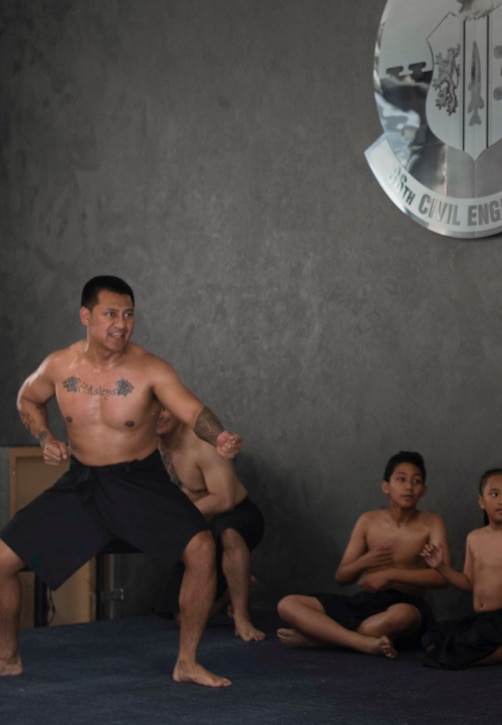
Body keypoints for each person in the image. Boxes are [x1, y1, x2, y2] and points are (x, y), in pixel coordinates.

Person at [0, 275, 240, 687]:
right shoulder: (60, 365)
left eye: (128, 315)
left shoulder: (150, 368)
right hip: (82, 482)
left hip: (139, 482)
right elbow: (28, 398)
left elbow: (192, 410)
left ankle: (187, 662)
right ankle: (7, 657)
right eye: (110, 313)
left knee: (202, 549)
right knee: (1, 562)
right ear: (85, 316)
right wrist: (45, 437)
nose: (121, 324)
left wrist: (219, 436)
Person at [276, 451, 448, 659]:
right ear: (386, 486)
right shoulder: (368, 521)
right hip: (366, 602)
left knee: (402, 616)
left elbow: (442, 576)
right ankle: (360, 642)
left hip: (405, 603)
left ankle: (321, 638)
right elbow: (342, 577)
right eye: (401, 479)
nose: (409, 487)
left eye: (416, 481)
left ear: (424, 490)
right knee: (288, 604)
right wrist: (364, 562)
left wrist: (390, 575)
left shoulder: (431, 524)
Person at [155, 407, 266, 642]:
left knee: (229, 533)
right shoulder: (152, 446)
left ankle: (242, 618)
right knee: (182, 619)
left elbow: (224, 500)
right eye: (151, 410)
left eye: (164, 409)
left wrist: (175, 518)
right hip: (200, 525)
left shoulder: (202, 445)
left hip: (238, 514)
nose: (159, 416)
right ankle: (228, 595)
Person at [420, 468, 502, 668]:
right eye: (494, 494)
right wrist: (440, 567)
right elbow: (468, 583)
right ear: (482, 501)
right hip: (481, 620)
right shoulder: (474, 538)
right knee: (432, 637)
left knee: (454, 653)